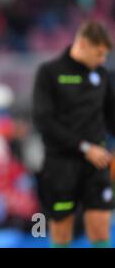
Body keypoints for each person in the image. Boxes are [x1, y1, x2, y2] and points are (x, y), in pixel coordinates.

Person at [33, 21, 115, 248]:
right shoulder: (49, 73)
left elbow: (112, 118)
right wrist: (84, 148)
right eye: (99, 54)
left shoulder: (102, 75)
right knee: (61, 232)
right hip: (61, 165)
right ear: (83, 44)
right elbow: (44, 121)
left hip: (96, 163)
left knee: (100, 228)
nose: (102, 60)